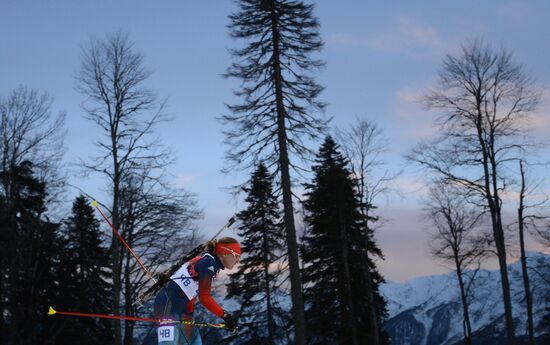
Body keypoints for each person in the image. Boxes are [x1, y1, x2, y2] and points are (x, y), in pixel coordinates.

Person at [154, 237, 241, 345]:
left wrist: (189, 314)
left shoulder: (210, 263)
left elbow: (191, 290)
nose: (238, 260)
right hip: (168, 306)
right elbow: (204, 297)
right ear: (225, 252)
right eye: (236, 255)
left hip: (180, 309)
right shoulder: (208, 263)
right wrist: (225, 315)